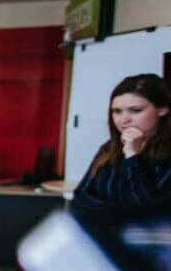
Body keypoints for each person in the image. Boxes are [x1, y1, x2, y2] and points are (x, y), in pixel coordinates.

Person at [73, 73, 171, 213]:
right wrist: (118, 212)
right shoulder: (109, 147)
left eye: (135, 110)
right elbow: (80, 197)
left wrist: (132, 156)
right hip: (103, 231)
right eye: (117, 111)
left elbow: (147, 210)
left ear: (162, 109)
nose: (124, 120)